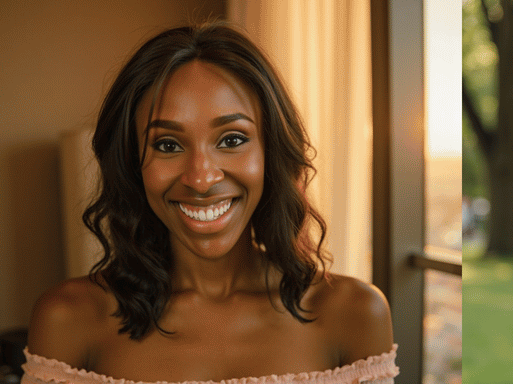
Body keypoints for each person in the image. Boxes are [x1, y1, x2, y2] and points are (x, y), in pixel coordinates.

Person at [24, 23, 396, 383]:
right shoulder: (67, 319)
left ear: (271, 152)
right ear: (131, 164)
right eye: (168, 145)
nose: (201, 179)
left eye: (232, 140)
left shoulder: (355, 314)